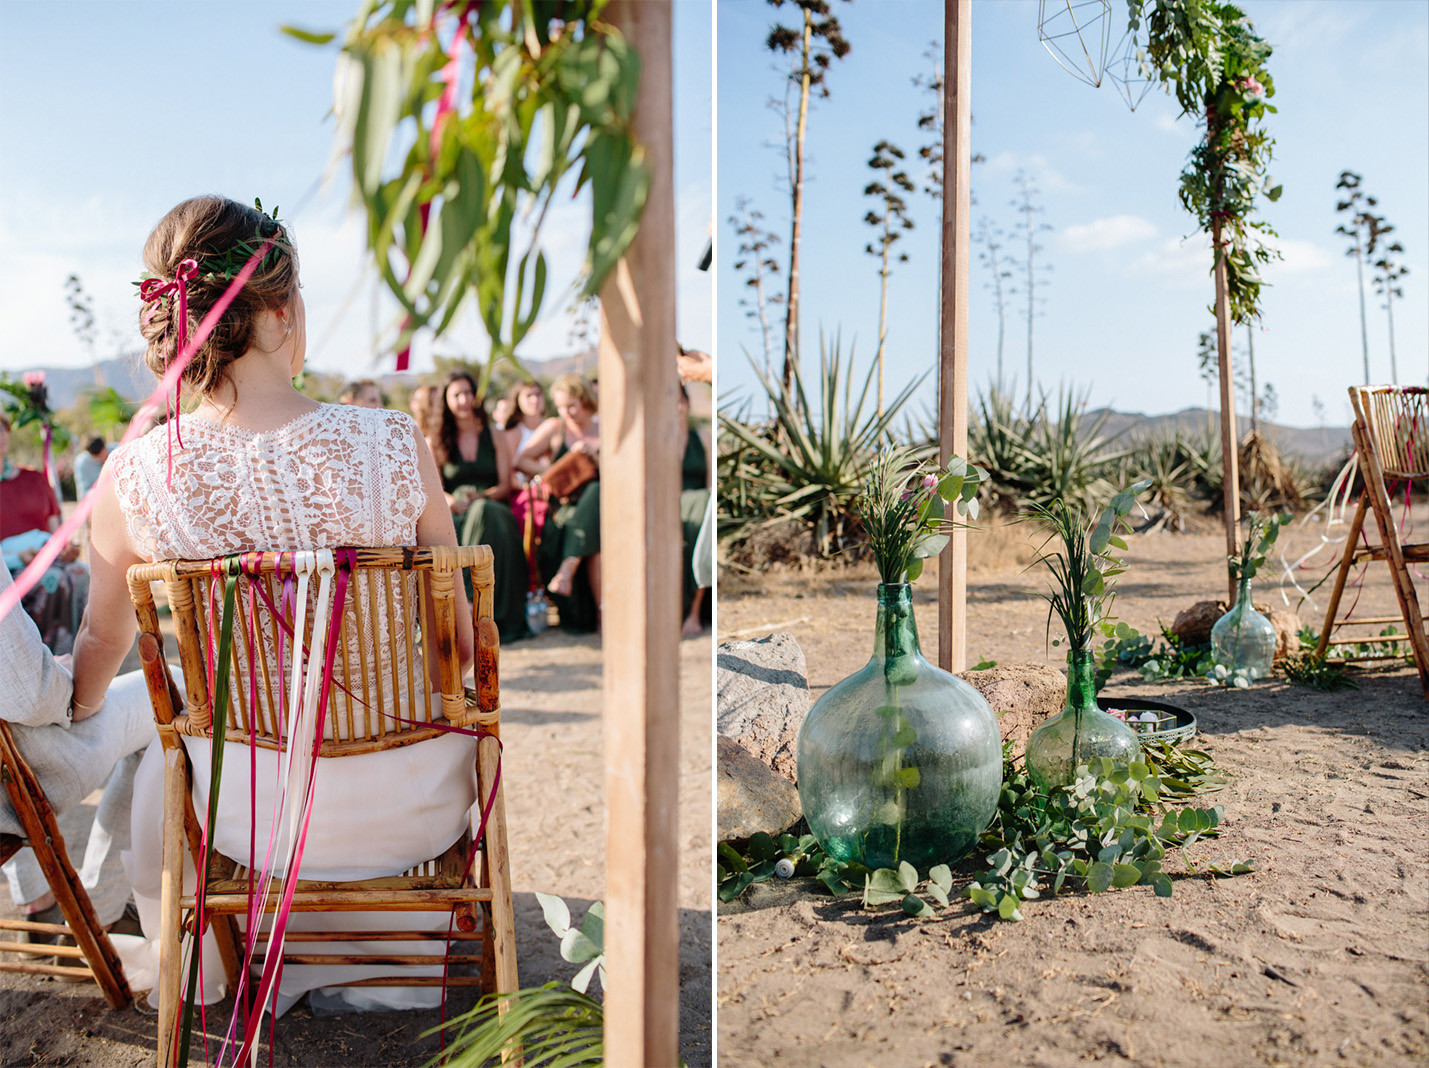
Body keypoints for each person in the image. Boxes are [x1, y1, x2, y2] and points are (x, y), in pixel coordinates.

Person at [71, 194, 478, 1013]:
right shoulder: (395, 444)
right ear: (285, 311)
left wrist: (65, 714)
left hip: (243, 811)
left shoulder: (135, 478)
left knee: (159, 741)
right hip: (415, 799)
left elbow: (97, 651)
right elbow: (461, 648)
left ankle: (232, 935)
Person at [0, 567, 154, 939]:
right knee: (169, 700)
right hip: (22, 777)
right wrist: (68, 686)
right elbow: (30, 696)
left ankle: (36, 900)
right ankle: (101, 909)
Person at [429, 371, 531, 643]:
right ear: (446, 401)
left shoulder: (494, 435)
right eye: (457, 395)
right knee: (475, 515)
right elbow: (435, 487)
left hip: (493, 505)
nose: (464, 400)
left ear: (476, 396)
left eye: (468, 393)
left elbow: (504, 485)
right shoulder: (435, 439)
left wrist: (480, 497)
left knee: (487, 513)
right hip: (455, 514)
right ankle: (466, 613)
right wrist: (452, 500)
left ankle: (483, 610)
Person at [516, 374, 602, 632]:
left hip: (598, 504)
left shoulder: (604, 429)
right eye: (561, 406)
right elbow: (521, 460)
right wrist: (556, 470)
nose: (566, 412)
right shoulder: (555, 427)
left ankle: (569, 567)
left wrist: (594, 459)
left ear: (586, 401)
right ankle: (599, 616)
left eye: (572, 405)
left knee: (596, 490)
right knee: (592, 534)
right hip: (563, 507)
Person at [0, 412, 88, 653]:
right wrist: (18, 557)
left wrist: (65, 547)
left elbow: (54, 529)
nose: (0, 433)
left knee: (82, 573)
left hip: (45, 556)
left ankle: (84, 654)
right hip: (8, 566)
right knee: (53, 581)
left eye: (2, 427)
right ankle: (50, 658)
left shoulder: (34, 478)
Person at [678, 383, 711, 637]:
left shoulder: (703, 438)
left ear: (687, 403)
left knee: (701, 513)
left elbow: (712, 484)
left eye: (680, 401)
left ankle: (694, 611)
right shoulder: (655, 439)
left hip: (699, 502)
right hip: (668, 505)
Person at [74, 436, 109, 502]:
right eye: (99, 457)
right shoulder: (82, 463)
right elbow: (83, 492)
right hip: (97, 500)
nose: (102, 459)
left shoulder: (116, 450)